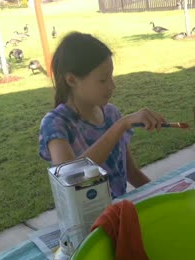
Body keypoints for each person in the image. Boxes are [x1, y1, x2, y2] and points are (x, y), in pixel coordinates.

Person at [39, 32, 166, 198]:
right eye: (103, 80)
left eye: (111, 76)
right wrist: (120, 126)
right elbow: (71, 178)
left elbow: (131, 173)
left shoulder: (111, 114)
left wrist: (164, 194)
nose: (112, 85)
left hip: (120, 214)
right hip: (89, 223)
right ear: (71, 80)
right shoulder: (56, 124)